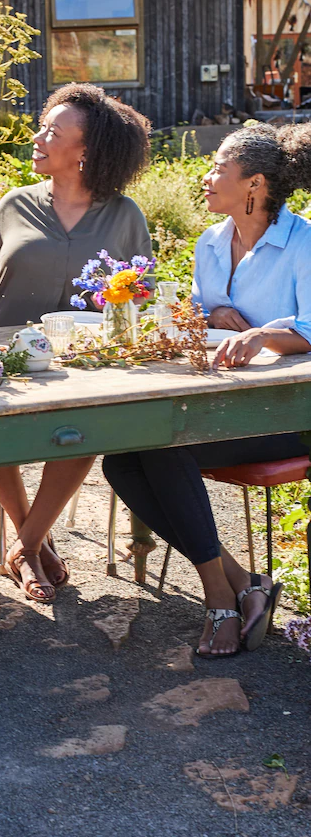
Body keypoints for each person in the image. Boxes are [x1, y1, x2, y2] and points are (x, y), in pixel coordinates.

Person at [103, 123, 311, 657]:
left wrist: (262, 333)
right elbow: (197, 312)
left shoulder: (305, 242)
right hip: (220, 404)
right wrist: (208, 311)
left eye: (219, 166)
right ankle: (243, 581)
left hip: (287, 414)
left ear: (255, 184)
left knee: (166, 446)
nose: (206, 175)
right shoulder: (211, 242)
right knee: (119, 460)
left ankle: (220, 597)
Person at [0, 83, 152, 602]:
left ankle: (22, 546)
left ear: (85, 151)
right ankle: (34, 545)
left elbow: (138, 297)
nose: (37, 138)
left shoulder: (124, 215)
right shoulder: (14, 205)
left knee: (85, 424)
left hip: (82, 362)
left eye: (52, 133)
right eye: (42, 127)